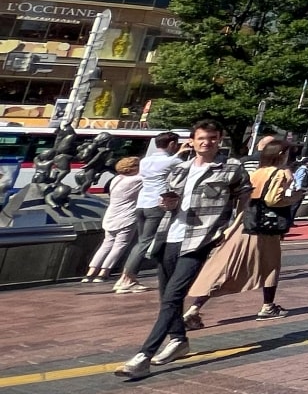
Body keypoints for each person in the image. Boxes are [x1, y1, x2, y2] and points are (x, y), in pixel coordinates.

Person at [115, 122, 250, 380]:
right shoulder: (179, 168)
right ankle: (178, 339)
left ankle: (143, 355)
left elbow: (244, 197)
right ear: (192, 141)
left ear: (219, 139)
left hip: (200, 239)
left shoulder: (231, 168)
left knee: (173, 296)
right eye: (201, 138)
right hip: (170, 236)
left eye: (212, 138)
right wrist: (168, 203)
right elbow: (169, 204)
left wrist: (232, 227)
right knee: (166, 295)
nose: (206, 142)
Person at [184, 137, 297, 325]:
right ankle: (268, 307)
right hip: (264, 229)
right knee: (270, 267)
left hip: (244, 224)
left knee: (224, 268)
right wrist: (294, 197)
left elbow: (242, 201)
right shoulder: (279, 173)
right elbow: (273, 200)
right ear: (281, 155)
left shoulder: (256, 173)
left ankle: (194, 309)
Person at [115, 132, 183, 293]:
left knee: (141, 242)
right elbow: (183, 167)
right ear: (172, 144)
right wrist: (182, 153)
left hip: (142, 204)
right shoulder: (173, 160)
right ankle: (127, 279)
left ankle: (124, 278)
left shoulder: (145, 161)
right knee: (146, 242)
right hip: (157, 204)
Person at [83, 157, 144, 284]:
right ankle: (104, 272)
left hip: (111, 214)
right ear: (133, 168)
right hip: (126, 215)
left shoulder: (116, 179)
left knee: (106, 244)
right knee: (119, 245)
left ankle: (90, 272)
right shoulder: (136, 180)